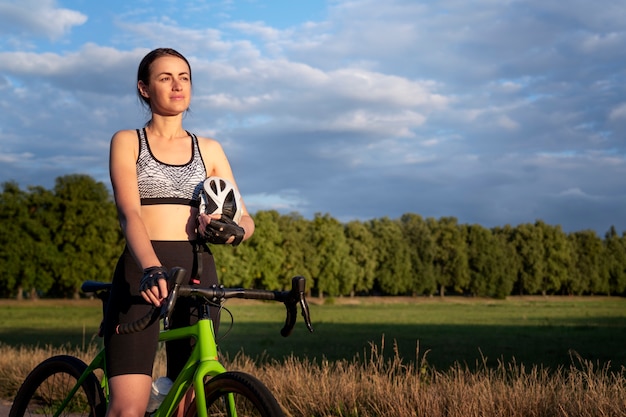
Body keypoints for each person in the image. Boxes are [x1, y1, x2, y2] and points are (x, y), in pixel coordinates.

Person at [103, 47, 255, 417]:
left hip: (199, 270)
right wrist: (151, 267)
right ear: (144, 88)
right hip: (144, 268)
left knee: (190, 401)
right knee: (129, 407)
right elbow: (129, 215)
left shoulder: (210, 148)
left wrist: (230, 231)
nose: (177, 86)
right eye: (165, 77)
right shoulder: (128, 141)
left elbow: (246, 220)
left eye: (184, 77)